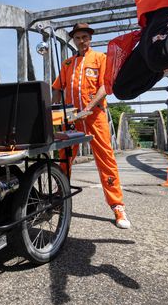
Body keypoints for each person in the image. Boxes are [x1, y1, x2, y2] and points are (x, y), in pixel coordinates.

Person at [52, 23, 131, 230]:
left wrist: (89, 106)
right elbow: (57, 88)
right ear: (73, 40)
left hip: (95, 115)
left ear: (90, 38)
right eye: (77, 38)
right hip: (72, 118)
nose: (81, 41)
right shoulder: (67, 63)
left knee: (106, 159)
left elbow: (105, 86)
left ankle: (117, 206)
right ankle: (60, 197)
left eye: (85, 37)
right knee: (64, 158)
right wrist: (56, 111)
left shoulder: (101, 59)